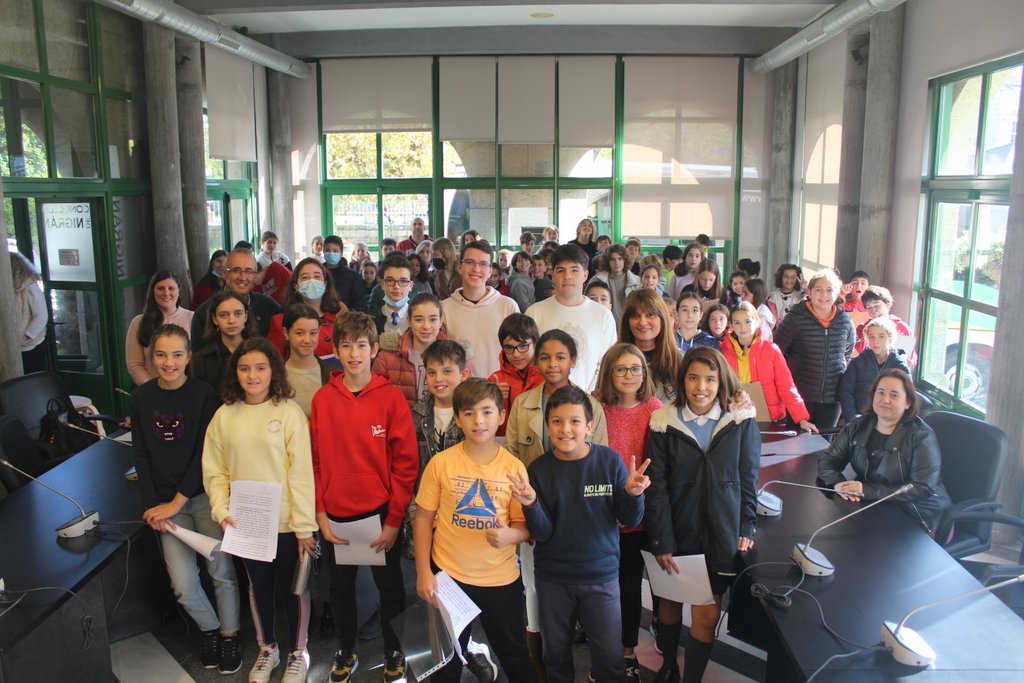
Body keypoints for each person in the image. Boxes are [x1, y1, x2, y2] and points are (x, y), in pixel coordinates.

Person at [509, 385, 649, 683]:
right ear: (548, 427)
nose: (565, 429)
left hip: (601, 576)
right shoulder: (539, 470)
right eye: (557, 421)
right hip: (553, 578)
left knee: (610, 659)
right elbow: (542, 533)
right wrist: (531, 504)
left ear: (589, 426)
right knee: (556, 657)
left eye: (574, 421)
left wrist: (634, 494)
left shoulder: (609, 461)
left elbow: (629, 519)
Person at [310, 312, 418, 683]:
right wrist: (320, 514)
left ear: (373, 349)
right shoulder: (323, 400)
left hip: (381, 513)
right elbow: (316, 462)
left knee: (391, 587)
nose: (354, 353)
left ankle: (393, 650)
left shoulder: (390, 399)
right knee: (340, 589)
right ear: (336, 351)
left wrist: (394, 520)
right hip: (336, 513)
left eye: (361, 345)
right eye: (346, 345)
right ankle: (346, 650)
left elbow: (406, 465)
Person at [202, 337, 317, 683]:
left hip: (286, 523)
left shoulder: (289, 413)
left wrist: (304, 528)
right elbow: (216, 471)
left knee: (294, 588)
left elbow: (301, 473)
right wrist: (220, 510)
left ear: (273, 372)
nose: (252, 376)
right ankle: (268, 648)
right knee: (259, 586)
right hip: (247, 523)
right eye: (244, 368)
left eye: (260, 368)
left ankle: (298, 653)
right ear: (235, 373)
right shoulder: (224, 416)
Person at [130, 324, 241, 675]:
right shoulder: (141, 398)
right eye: (161, 355)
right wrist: (151, 506)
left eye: (177, 355)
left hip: (203, 499)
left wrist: (175, 503)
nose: (169, 362)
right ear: (152, 357)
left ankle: (230, 636)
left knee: (222, 573)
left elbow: (203, 456)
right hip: (166, 508)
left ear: (189, 357)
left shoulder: (204, 395)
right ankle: (210, 629)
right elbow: (141, 455)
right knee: (182, 584)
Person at [646, 346, 760, 683]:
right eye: (693, 378)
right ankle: (668, 667)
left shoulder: (740, 418)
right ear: (683, 381)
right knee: (669, 605)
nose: (701, 387)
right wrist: (661, 539)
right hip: (677, 529)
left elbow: (749, 475)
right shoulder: (663, 421)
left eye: (710, 379)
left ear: (721, 381)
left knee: (707, 615)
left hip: (720, 531)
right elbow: (657, 486)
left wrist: (748, 523)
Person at [413, 379, 538, 683]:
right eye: (469, 413)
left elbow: (524, 527)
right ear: (457, 418)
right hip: (449, 577)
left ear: (501, 416)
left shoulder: (514, 468)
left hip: (500, 579)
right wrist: (423, 572)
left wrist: (511, 536)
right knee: (445, 662)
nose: (478, 421)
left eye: (487, 412)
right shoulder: (440, 464)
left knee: (514, 654)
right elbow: (423, 519)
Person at [505, 330, 609, 669]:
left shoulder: (591, 405)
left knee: (580, 585)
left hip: (581, 511)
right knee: (534, 584)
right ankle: (539, 652)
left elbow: (601, 460)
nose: (552, 364)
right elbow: (512, 458)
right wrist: (522, 507)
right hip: (534, 505)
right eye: (545, 357)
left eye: (560, 357)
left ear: (572, 361)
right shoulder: (523, 403)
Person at [593, 344, 663, 681]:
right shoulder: (596, 408)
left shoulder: (654, 408)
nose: (629, 375)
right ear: (609, 372)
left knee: (635, 583)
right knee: (606, 587)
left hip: (642, 511)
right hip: (605, 514)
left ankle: (632, 649)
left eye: (635, 368)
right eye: (620, 369)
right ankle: (607, 649)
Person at [818, 369, 952, 532]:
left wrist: (867, 490)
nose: (885, 400)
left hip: (917, 515)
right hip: (876, 507)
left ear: (908, 402)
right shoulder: (858, 425)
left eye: (894, 395)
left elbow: (922, 487)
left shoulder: (921, 436)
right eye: (880, 392)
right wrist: (838, 483)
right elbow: (828, 460)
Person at [526, 244, 617, 392]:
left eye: (574, 270)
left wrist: (589, 398)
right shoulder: (535, 313)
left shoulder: (603, 315)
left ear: (585, 275)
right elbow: (530, 363)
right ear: (552, 275)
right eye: (561, 270)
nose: (567, 276)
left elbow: (607, 364)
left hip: (589, 399)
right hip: (544, 399)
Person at [774, 268, 856, 430]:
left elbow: (847, 352)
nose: (824, 295)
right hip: (799, 395)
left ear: (837, 293)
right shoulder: (795, 318)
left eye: (829, 290)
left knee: (824, 442)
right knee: (796, 440)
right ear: (809, 292)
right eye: (818, 290)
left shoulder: (845, 320)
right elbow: (778, 353)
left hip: (832, 396)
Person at [720, 303, 818, 432]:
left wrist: (801, 419)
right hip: (733, 417)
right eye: (737, 322)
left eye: (748, 321)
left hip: (769, 419)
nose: (743, 327)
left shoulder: (771, 350)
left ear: (757, 321)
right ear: (731, 325)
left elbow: (786, 386)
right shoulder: (721, 351)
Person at [440, 240, 520, 379]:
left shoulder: (507, 306)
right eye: (470, 262)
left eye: (483, 264)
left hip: (499, 388)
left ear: (490, 271)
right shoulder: (443, 309)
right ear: (459, 267)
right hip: (459, 389)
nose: (476, 269)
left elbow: (518, 354)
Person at [191, 249, 281, 352]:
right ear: (224, 273)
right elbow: (199, 357)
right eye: (236, 270)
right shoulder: (204, 313)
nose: (243, 277)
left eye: (248, 271)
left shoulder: (268, 306)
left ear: (255, 275)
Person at [372, 293, 451, 408]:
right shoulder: (386, 358)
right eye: (418, 320)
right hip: (400, 418)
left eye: (433, 319)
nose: (426, 326)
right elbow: (375, 400)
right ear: (409, 321)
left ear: (441, 320)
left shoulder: (455, 356)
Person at [267, 258, 347, 359]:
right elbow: (274, 362)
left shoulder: (341, 317)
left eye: (317, 276)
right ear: (296, 286)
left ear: (325, 284)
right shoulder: (280, 322)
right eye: (305, 277)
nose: (312, 281)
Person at [125, 270, 194, 386]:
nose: (166, 293)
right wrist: (154, 390)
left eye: (171, 288)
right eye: (161, 288)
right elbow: (135, 365)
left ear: (178, 290)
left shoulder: (193, 318)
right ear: (153, 291)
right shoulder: (138, 323)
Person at [839, 316, 911, 422]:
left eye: (881, 336)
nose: (875, 341)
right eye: (871, 336)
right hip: (860, 419)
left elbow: (906, 396)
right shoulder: (858, 363)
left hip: (889, 421)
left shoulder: (900, 366)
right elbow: (846, 392)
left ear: (890, 338)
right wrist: (853, 420)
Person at [619, 289, 681, 402]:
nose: (642, 322)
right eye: (635, 316)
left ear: (662, 318)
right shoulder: (614, 359)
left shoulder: (681, 361)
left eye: (650, 315)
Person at [189, 291, 255, 396]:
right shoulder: (201, 360)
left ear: (246, 316)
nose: (231, 320)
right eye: (223, 315)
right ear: (215, 319)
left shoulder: (262, 352)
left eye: (238, 314)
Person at [487, 313, 543, 437]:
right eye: (509, 348)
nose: (516, 354)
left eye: (523, 346)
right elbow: (483, 422)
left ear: (535, 343)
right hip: (502, 444)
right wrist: (491, 399)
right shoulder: (494, 380)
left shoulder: (547, 378)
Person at [280, 304, 334, 417]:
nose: (307, 340)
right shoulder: (275, 375)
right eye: (300, 333)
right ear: (286, 333)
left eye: (313, 333)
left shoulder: (333, 373)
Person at [855, 285, 917, 368]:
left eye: (877, 305)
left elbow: (911, 353)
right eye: (869, 307)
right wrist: (865, 335)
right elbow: (861, 351)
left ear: (887, 305)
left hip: (896, 370)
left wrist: (912, 361)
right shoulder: (862, 328)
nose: (873, 311)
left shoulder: (901, 326)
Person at [11, 252, 48, 373]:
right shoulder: (9, 288)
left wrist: (27, 335)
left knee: (30, 378)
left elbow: (41, 316)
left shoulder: (31, 288)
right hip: (13, 347)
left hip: (31, 346)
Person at [591, 244, 640, 324]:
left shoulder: (637, 282)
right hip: (602, 322)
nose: (616, 262)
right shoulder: (596, 280)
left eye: (620, 259)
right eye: (612, 259)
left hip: (629, 324)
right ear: (607, 261)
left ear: (625, 260)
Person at [322, 235, 367, 313]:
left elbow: (359, 304)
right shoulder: (318, 274)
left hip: (346, 317)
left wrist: (348, 313)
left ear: (341, 253)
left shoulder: (353, 276)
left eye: (335, 251)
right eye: (327, 250)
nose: (331, 253)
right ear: (323, 252)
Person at [373, 253, 416, 335]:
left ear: (410, 286)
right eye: (390, 280)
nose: (396, 286)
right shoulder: (374, 318)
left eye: (403, 281)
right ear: (382, 284)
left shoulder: (418, 317)